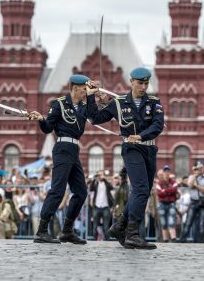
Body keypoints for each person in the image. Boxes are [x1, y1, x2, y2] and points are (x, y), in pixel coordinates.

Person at [87, 67, 165, 250]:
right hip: (131, 149)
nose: (143, 87)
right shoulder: (119, 103)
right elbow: (95, 118)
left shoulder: (154, 102)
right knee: (140, 189)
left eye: (146, 83)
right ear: (131, 82)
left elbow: (158, 125)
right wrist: (91, 97)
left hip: (149, 149)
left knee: (144, 191)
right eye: (140, 83)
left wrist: (142, 136)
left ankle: (119, 226)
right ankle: (132, 234)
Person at [27, 74, 92, 245]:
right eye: (84, 89)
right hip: (62, 148)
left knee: (81, 192)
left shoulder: (84, 106)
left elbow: (93, 114)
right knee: (57, 190)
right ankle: (42, 231)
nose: (86, 92)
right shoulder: (60, 104)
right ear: (75, 88)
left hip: (74, 149)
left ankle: (67, 231)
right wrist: (41, 119)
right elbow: (48, 127)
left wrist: (96, 96)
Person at [180, 162, 204, 243]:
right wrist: (194, 174)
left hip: (203, 202)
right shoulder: (191, 177)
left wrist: (196, 186)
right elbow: (190, 185)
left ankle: (200, 241)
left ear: (203, 168)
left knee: (201, 224)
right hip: (193, 202)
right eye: (197, 168)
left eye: (201, 168)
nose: (199, 170)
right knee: (188, 222)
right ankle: (182, 240)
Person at [155, 165, 178, 242]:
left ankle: (173, 239)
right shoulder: (159, 183)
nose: (166, 173)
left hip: (171, 203)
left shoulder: (173, 182)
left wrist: (164, 190)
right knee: (163, 222)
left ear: (169, 172)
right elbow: (159, 194)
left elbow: (174, 190)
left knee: (171, 222)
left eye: (168, 171)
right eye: (165, 171)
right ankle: (165, 240)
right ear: (163, 172)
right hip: (162, 204)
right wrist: (168, 191)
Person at [89, 170, 114, 240]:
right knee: (95, 226)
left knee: (106, 226)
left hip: (105, 206)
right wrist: (94, 178)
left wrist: (105, 179)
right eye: (99, 175)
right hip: (96, 206)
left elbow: (111, 188)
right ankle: (94, 240)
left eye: (101, 175)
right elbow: (91, 189)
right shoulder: (95, 183)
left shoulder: (106, 184)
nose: (100, 176)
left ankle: (107, 240)